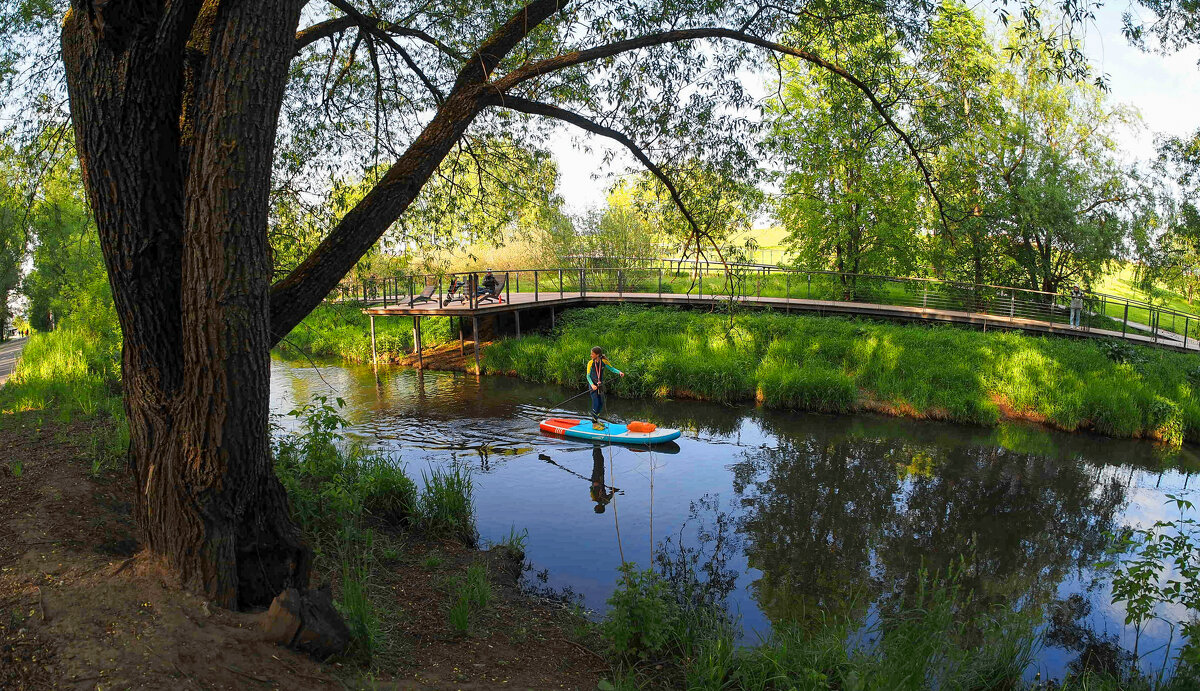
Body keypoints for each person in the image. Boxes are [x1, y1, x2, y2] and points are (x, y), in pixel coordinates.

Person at [586, 346, 624, 430]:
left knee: (600, 403)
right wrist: (592, 385)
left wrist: (619, 372)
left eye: (592, 354)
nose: (591, 355)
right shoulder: (590, 363)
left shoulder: (604, 361)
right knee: (596, 403)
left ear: (597, 355)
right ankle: (594, 424)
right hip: (593, 386)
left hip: (600, 386)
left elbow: (612, 369)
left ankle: (596, 420)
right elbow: (588, 376)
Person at [589, 444, 615, 514]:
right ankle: (596, 447)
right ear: (598, 507)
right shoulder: (602, 500)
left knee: (598, 462)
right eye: (596, 508)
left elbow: (592, 487)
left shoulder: (602, 500)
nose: (595, 507)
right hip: (598, 478)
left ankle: (596, 447)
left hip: (597, 478)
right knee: (598, 462)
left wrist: (613, 490)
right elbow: (612, 493)